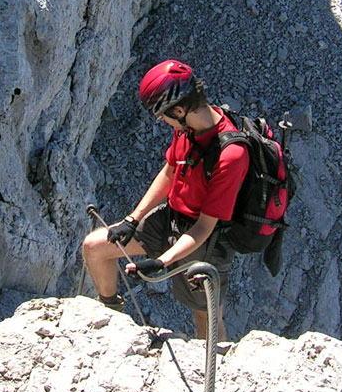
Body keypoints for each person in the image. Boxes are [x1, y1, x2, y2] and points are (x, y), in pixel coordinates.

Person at [82, 59, 249, 340]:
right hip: (171, 217)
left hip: (205, 241)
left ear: (180, 109)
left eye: (163, 116)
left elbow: (204, 227)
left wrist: (162, 262)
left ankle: (218, 370)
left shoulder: (231, 155)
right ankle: (110, 315)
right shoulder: (188, 127)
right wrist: (132, 219)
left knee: (205, 316)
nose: (162, 121)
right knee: (95, 247)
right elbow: (171, 171)